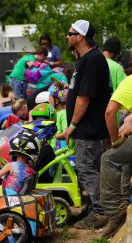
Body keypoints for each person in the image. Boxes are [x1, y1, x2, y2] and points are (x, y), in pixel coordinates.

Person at [64, 20, 111, 229]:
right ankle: (93, 207)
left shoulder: (92, 60)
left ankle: (100, 212)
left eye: (70, 33)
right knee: (88, 168)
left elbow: (84, 97)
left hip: (89, 128)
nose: (67, 36)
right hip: (89, 127)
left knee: (86, 168)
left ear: (80, 36)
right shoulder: (86, 59)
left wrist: (72, 125)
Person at [100, 75, 132, 239]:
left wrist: (115, 141)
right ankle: (125, 201)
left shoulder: (129, 81)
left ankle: (115, 213)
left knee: (109, 158)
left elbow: (109, 112)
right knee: (126, 161)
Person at [102, 37, 127, 127]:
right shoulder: (117, 68)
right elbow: (124, 92)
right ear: (114, 53)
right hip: (112, 117)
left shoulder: (93, 63)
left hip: (93, 118)